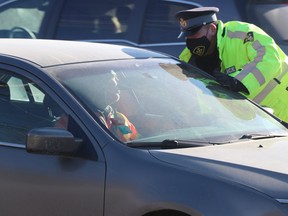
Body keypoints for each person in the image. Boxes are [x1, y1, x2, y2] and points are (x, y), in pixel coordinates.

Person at [175, 7, 288, 123]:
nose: (190, 40)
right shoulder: (188, 59)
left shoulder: (241, 33)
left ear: (212, 29)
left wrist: (238, 81)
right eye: (187, 36)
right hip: (256, 122)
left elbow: (270, 58)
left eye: (194, 34)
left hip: (283, 104)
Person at [54, 71, 138, 142]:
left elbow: (135, 140)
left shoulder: (118, 117)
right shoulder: (77, 117)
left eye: (117, 86)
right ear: (98, 89)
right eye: (112, 86)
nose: (117, 90)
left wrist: (124, 129)